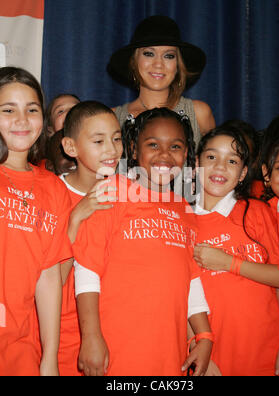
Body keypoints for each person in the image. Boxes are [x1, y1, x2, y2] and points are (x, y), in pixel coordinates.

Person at [73, 108, 213, 376]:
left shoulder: (184, 209)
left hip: (169, 355)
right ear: (134, 150)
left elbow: (191, 279)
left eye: (175, 146)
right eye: (152, 145)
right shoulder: (112, 190)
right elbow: (87, 269)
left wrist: (204, 335)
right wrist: (91, 336)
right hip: (115, 352)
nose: (164, 154)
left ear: (186, 154)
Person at [192, 126, 279, 376]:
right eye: (211, 157)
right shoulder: (180, 220)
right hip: (214, 356)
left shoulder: (257, 212)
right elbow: (178, 298)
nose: (220, 166)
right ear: (195, 164)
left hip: (269, 352)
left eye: (232, 160)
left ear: (243, 173)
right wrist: (194, 347)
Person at [0, 67, 72, 376]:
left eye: (31, 109)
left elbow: (48, 276)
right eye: (8, 110)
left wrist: (49, 357)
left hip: (22, 344)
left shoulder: (53, 187)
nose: (21, 120)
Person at [47, 100, 122, 376]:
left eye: (116, 139)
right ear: (70, 147)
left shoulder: (128, 195)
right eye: (99, 141)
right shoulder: (50, 192)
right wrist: (75, 218)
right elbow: (47, 280)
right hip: (61, 333)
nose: (112, 150)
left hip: (115, 330)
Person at [107, 15, 216, 149]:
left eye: (169, 56)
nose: (158, 64)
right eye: (149, 54)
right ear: (134, 62)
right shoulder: (111, 118)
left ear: (178, 65)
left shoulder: (199, 113)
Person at [42, 93, 80, 174]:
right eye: (60, 111)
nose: (70, 112)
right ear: (50, 130)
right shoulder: (43, 166)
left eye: (75, 108)